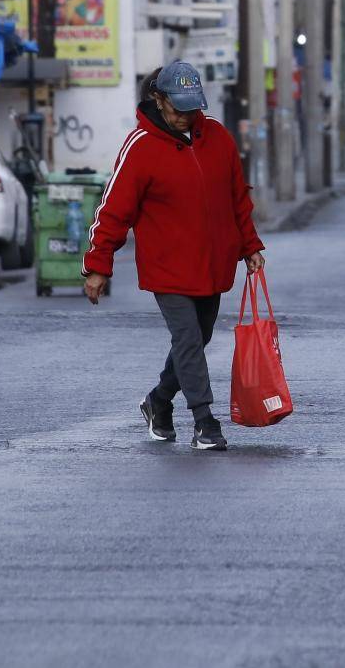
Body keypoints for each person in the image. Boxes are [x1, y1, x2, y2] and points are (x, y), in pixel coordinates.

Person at [82, 61, 266, 451]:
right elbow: (113, 211)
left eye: (191, 106)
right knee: (187, 339)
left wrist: (250, 245)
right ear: (158, 98)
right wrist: (98, 266)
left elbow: (237, 198)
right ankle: (205, 422)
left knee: (197, 340)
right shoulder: (140, 147)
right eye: (177, 106)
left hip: (213, 265)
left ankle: (159, 402)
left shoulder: (216, 136)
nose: (185, 115)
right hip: (167, 268)